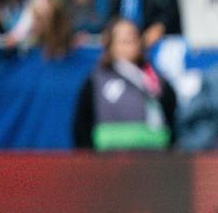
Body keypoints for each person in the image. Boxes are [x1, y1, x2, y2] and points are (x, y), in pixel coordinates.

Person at [73, 18, 177, 151]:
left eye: (132, 39)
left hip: (153, 160)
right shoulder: (96, 81)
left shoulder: (157, 81)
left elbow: (172, 120)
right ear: (110, 45)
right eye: (122, 41)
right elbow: (82, 125)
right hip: (108, 162)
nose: (128, 45)